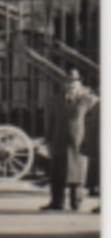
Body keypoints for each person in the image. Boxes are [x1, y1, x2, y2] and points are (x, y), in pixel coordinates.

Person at [44, 69, 98, 211]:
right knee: (57, 172)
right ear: (64, 84)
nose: (71, 85)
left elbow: (92, 121)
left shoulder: (88, 100)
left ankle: (76, 202)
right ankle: (57, 202)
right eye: (68, 81)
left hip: (79, 141)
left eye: (74, 82)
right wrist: (48, 140)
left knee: (78, 172)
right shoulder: (55, 100)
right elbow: (50, 121)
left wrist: (90, 140)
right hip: (59, 140)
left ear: (80, 83)